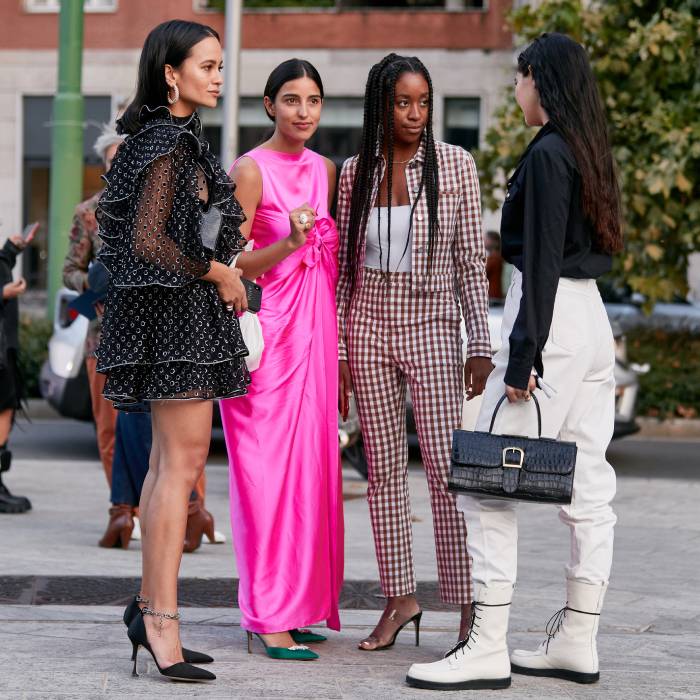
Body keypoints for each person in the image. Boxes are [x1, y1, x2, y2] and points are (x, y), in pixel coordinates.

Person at [406, 33, 623, 690]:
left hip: (549, 324)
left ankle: (487, 646)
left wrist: (524, 356)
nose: (518, 90)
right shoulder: (584, 148)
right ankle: (577, 640)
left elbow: (544, 259)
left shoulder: (552, 153)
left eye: (521, 79)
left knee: (485, 484)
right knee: (590, 487)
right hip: (587, 320)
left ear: (539, 80)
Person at [96, 19, 250, 682]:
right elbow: (150, 242)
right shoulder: (167, 142)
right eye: (206, 66)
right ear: (170, 73)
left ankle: (151, 611)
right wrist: (219, 273)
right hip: (178, 320)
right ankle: (161, 621)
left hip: (174, 318)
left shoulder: (171, 137)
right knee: (177, 469)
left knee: (168, 467)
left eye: (219, 66)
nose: (217, 76)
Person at [336, 53, 492, 650]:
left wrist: (479, 342)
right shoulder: (356, 172)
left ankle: (467, 603)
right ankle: (400, 598)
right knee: (382, 473)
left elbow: (470, 262)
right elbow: (345, 270)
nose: (414, 114)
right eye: (402, 103)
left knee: (447, 472)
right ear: (381, 105)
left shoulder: (455, 165)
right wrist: (342, 351)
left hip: (432, 326)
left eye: (423, 102)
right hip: (369, 325)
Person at [219, 58, 343, 662]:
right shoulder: (249, 169)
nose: (303, 111)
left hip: (316, 333)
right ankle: (267, 615)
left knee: (310, 474)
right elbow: (229, 261)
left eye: (313, 100)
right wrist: (291, 242)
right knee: (263, 477)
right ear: (269, 105)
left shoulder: (325, 169)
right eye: (291, 99)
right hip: (267, 340)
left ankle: (296, 605)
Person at [63, 127, 220, 551]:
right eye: (114, 160)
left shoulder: (162, 206)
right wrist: (90, 287)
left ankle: (177, 509)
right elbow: (69, 271)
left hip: (156, 334)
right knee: (113, 429)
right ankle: (137, 512)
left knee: (170, 431)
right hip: (103, 337)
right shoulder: (89, 213)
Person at [0, 228, 35, 514]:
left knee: (6, 408)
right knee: (3, 408)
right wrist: (4, 292)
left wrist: (10, 251)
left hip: (4, 347)